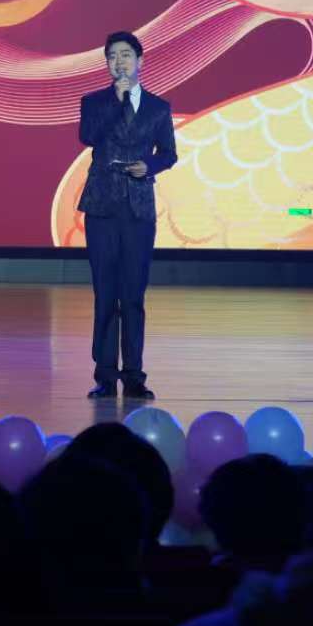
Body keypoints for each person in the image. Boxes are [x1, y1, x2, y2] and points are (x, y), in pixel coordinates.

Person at [76, 31, 176, 400]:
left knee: (133, 295)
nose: (119, 62)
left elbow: (169, 153)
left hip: (138, 208)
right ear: (107, 63)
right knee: (106, 294)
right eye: (113, 56)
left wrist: (149, 165)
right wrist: (116, 104)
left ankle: (134, 375)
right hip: (102, 207)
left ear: (140, 61)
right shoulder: (94, 102)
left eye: (126, 55)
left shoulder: (158, 107)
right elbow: (88, 136)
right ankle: (105, 376)